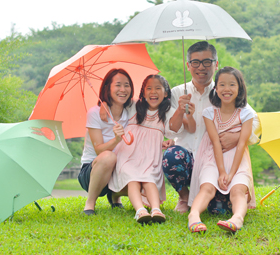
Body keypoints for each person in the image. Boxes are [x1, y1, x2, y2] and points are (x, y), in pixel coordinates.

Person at [164, 41, 260, 214]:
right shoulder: (177, 93)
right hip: (187, 157)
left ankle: (216, 198)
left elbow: (255, 121)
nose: (201, 67)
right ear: (188, 65)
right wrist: (179, 110)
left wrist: (237, 137)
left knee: (219, 211)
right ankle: (184, 197)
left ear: (216, 64)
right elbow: (169, 130)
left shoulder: (224, 91)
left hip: (214, 161)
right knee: (171, 157)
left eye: (207, 62)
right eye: (196, 62)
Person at [108, 75, 185, 224]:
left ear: (166, 93)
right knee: (133, 179)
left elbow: (174, 128)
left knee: (149, 179)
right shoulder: (133, 106)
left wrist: (181, 111)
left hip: (150, 158)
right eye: (148, 88)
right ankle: (140, 210)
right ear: (143, 92)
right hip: (129, 155)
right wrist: (105, 105)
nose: (153, 92)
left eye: (157, 88)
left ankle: (156, 209)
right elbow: (115, 105)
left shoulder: (168, 111)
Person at [187, 66, 255, 233]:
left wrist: (231, 174)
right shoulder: (209, 113)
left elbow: (241, 144)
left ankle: (237, 219)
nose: (227, 89)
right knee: (207, 187)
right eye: (222, 85)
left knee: (238, 190)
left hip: (238, 160)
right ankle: (194, 216)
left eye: (232, 85)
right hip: (213, 158)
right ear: (215, 89)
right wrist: (221, 171)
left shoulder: (246, 113)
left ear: (239, 89)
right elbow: (216, 143)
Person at [78, 68, 133, 216]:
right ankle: (90, 203)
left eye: (127, 85)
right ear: (108, 88)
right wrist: (116, 140)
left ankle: (114, 196)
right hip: (93, 171)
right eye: (118, 85)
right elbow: (99, 151)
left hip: (118, 170)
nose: (123, 89)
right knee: (109, 156)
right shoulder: (95, 113)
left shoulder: (131, 111)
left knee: (144, 174)